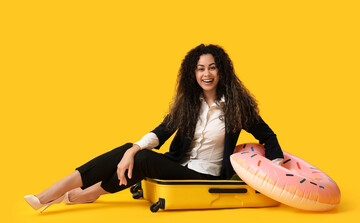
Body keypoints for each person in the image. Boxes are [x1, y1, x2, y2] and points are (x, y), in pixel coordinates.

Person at [24, 44, 284, 212]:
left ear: (222, 71)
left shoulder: (237, 107)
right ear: (192, 73)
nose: (207, 74)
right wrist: (133, 149)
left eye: (212, 68)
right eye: (200, 68)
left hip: (206, 177)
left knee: (143, 159)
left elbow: (268, 136)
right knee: (133, 150)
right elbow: (161, 132)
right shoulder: (188, 105)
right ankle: (58, 191)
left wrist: (277, 165)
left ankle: (83, 194)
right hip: (178, 166)